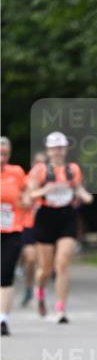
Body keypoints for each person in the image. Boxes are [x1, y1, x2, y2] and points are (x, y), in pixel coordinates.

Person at [27, 131, 94, 323]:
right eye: (54, 148)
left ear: (65, 150)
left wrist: (85, 195)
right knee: (45, 269)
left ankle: (61, 308)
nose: (58, 151)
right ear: (48, 150)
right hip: (46, 216)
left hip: (67, 216)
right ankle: (39, 291)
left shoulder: (73, 169)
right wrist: (44, 190)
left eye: (61, 147)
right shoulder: (40, 170)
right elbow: (30, 195)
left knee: (62, 263)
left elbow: (78, 188)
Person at [0, 136, 30, 336]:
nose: (2, 156)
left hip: (12, 230)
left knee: (6, 275)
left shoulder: (17, 172)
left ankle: (3, 319)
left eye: (5, 153)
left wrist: (26, 200)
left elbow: (28, 193)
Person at [19, 151, 46, 307]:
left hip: (46, 225)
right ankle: (29, 287)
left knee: (43, 264)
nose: (40, 166)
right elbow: (22, 201)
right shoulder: (25, 180)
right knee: (30, 259)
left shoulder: (51, 180)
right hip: (28, 224)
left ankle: (39, 290)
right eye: (37, 163)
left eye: (43, 163)